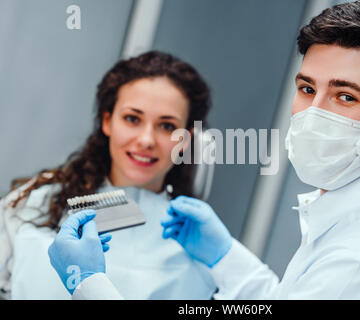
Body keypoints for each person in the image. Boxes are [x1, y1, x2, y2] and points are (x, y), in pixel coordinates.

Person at [49, 0, 360, 299]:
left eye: (344, 97)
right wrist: (225, 256)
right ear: (106, 120)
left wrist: (88, 284)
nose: (312, 114)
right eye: (307, 88)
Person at [0, 51, 217, 299]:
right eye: (132, 118)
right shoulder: (35, 204)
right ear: (107, 121)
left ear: (186, 139)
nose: (146, 140)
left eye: (167, 126)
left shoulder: (200, 243)